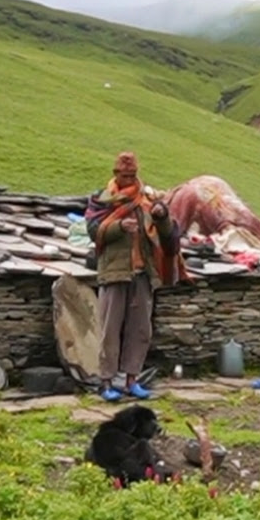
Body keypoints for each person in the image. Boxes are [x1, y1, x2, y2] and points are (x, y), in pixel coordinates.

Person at [85, 151, 186, 401]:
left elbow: (166, 234)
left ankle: (132, 380)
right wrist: (119, 227)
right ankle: (106, 382)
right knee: (110, 330)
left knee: (140, 330)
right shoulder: (103, 199)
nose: (130, 179)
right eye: (125, 175)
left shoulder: (147, 200)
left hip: (142, 273)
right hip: (114, 273)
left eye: (133, 175)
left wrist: (161, 217)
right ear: (115, 174)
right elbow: (93, 231)